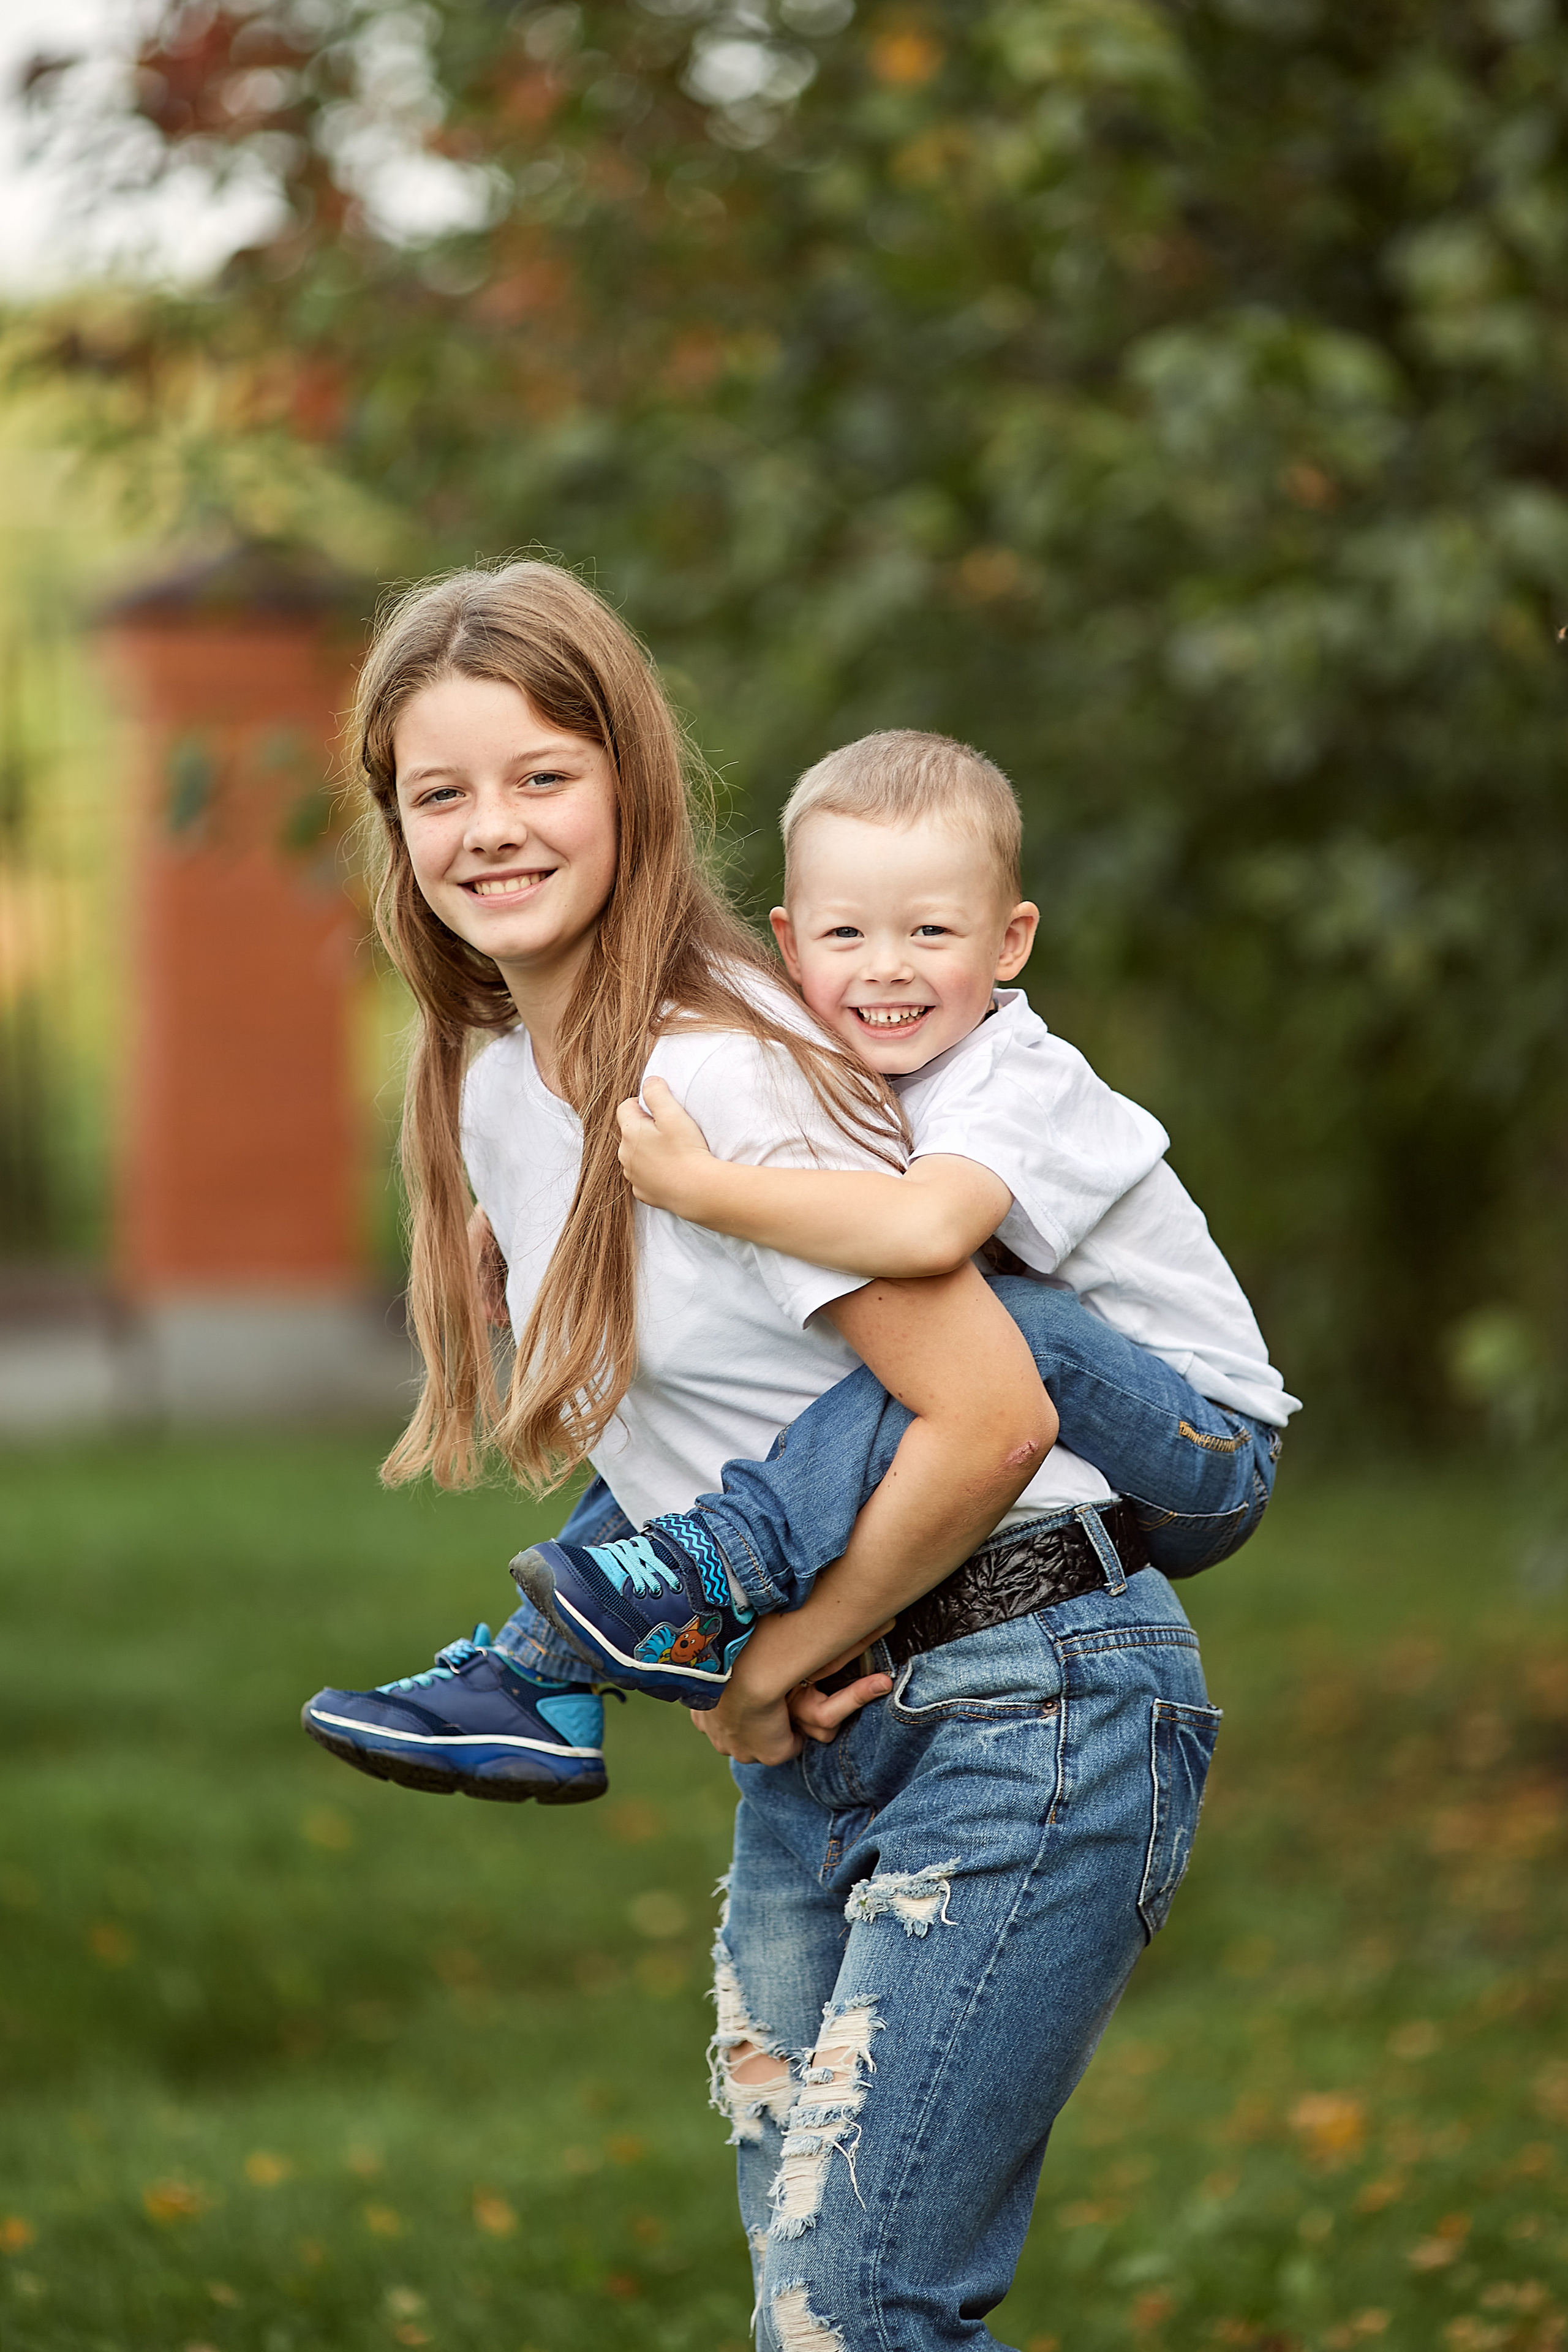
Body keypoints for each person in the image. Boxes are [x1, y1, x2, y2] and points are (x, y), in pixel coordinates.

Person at [300, 558, 1253, 2348]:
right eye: (440, 792)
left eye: (541, 776)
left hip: (1021, 1699)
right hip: (824, 1747)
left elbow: (995, 1413)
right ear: (395, 825)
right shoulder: (499, 1087)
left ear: (634, 788)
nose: (490, 829)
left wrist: (773, 1661)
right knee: (819, 2323)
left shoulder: (726, 1075)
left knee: (861, 2310)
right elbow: (712, 1431)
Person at [507, 729, 1296, 1714]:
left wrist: (702, 1187)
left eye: (930, 933)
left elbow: (929, 1232)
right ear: (790, 945)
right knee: (756, 1389)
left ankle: (727, 1561)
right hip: (1091, 1434)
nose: (886, 969)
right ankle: (538, 1668)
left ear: (1008, 942)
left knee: (1014, 1327)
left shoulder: (1014, 1078)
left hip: (1206, 1450)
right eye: (846, 936)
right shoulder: (842, 1075)